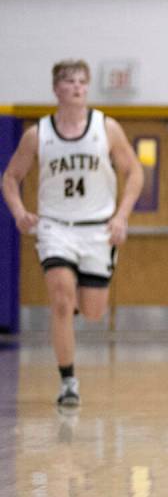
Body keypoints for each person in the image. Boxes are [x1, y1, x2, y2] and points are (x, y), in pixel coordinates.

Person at [1, 59, 144, 408]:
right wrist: (19, 212)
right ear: (57, 89)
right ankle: (68, 382)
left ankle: (78, 297)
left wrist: (122, 216)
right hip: (55, 228)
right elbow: (10, 178)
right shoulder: (38, 133)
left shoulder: (106, 128)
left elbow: (134, 172)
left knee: (93, 311)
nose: (78, 87)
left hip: (97, 230)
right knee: (62, 300)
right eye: (70, 82)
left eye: (83, 81)